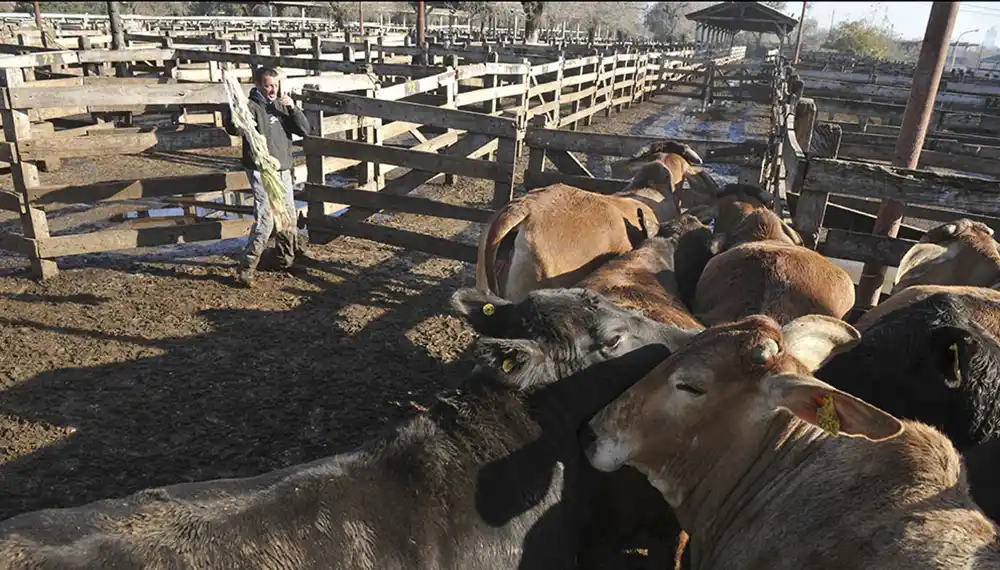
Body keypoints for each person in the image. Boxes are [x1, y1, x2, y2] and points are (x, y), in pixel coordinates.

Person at [224, 66, 310, 288]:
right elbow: (234, 128)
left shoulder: (282, 105)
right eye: (267, 85)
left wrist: (293, 109)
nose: (272, 89)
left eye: (274, 85)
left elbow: (304, 130)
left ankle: (284, 259)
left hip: (282, 168)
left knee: (288, 214)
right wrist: (234, 109)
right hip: (260, 169)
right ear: (258, 84)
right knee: (266, 219)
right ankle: (247, 267)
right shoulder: (250, 107)